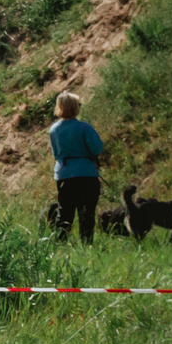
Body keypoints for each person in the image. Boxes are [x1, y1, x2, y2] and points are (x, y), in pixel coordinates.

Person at [47, 91, 106, 243]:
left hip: (64, 174)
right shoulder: (84, 128)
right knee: (86, 213)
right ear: (75, 107)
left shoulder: (54, 130)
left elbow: (56, 154)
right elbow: (97, 148)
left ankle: (61, 243)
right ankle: (87, 244)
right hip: (86, 173)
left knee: (64, 213)